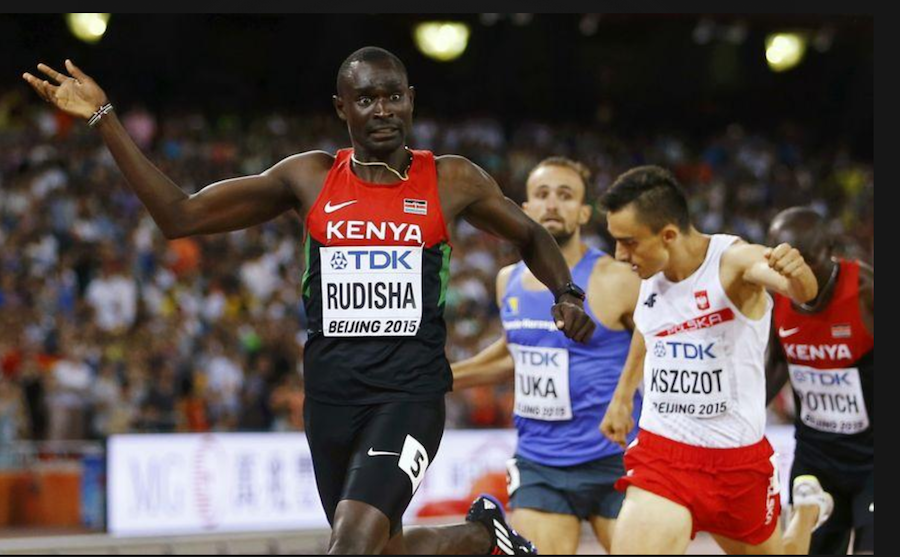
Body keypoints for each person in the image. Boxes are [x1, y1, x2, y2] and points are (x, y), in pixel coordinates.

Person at [24, 46, 596, 555]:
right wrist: (104, 120)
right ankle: (478, 536)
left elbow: (531, 235)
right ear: (341, 108)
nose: (382, 110)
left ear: (412, 101)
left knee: (349, 542)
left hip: (409, 395)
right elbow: (180, 216)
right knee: (379, 547)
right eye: (365, 99)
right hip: (330, 400)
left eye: (393, 96)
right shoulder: (310, 178)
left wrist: (565, 291)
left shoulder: (451, 180)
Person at [597, 166, 827, 554]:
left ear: (668, 234)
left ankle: (806, 511)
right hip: (664, 457)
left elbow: (798, 290)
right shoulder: (650, 269)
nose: (621, 255)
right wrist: (622, 397)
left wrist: (799, 275)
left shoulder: (734, 262)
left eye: (629, 242)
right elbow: (648, 326)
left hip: (737, 466)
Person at [452, 156, 641, 554]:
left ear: (584, 211)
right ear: (524, 210)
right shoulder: (509, 281)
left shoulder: (617, 278)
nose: (552, 204)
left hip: (616, 457)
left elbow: (658, 343)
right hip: (541, 464)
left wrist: (625, 398)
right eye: (542, 195)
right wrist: (439, 377)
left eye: (565, 195)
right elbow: (515, 353)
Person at [766, 207, 873, 554]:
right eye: (783, 265)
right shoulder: (776, 293)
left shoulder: (865, 291)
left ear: (830, 250)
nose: (795, 277)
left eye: (807, 262)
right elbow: (778, 362)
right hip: (816, 457)